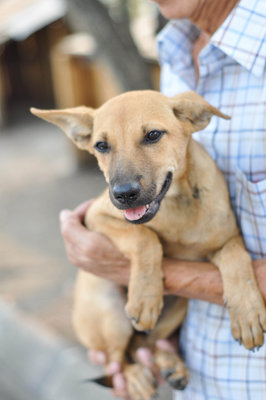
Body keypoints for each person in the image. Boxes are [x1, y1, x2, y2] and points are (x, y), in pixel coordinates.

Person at [60, 0, 266, 398]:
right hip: (195, 378)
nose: (124, 185)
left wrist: (148, 271)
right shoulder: (173, 55)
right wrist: (142, 349)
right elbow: (104, 219)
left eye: (152, 137)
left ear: (197, 118)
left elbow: (217, 244)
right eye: (102, 146)